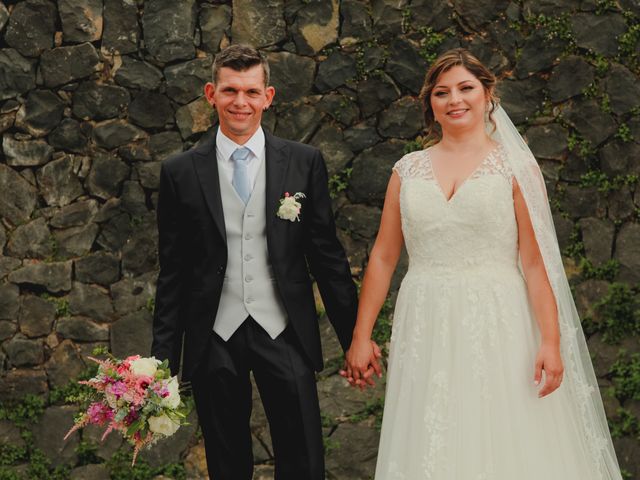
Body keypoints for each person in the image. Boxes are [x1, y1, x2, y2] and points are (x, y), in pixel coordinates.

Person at [342, 49, 623, 479]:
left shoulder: (516, 168)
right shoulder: (407, 170)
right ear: (430, 103)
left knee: (501, 433)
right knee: (432, 435)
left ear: (487, 94)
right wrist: (362, 336)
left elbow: (534, 262)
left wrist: (550, 341)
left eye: (466, 88)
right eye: (442, 92)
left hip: (498, 320)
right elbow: (383, 256)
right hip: (426, 319)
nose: (455, 99)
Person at [151, 44, 381, 480]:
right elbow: (173, 272)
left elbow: (327, 257)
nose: (241, 102)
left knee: (304, 460)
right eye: (230, 90)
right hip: (213, 333)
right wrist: (161, 364)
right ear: (210, 93)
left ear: (269, 96)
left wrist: (357, 337)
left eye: (252, 92)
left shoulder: (303, 161)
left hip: (284, 330)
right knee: (226, 461)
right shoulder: (179, 171)